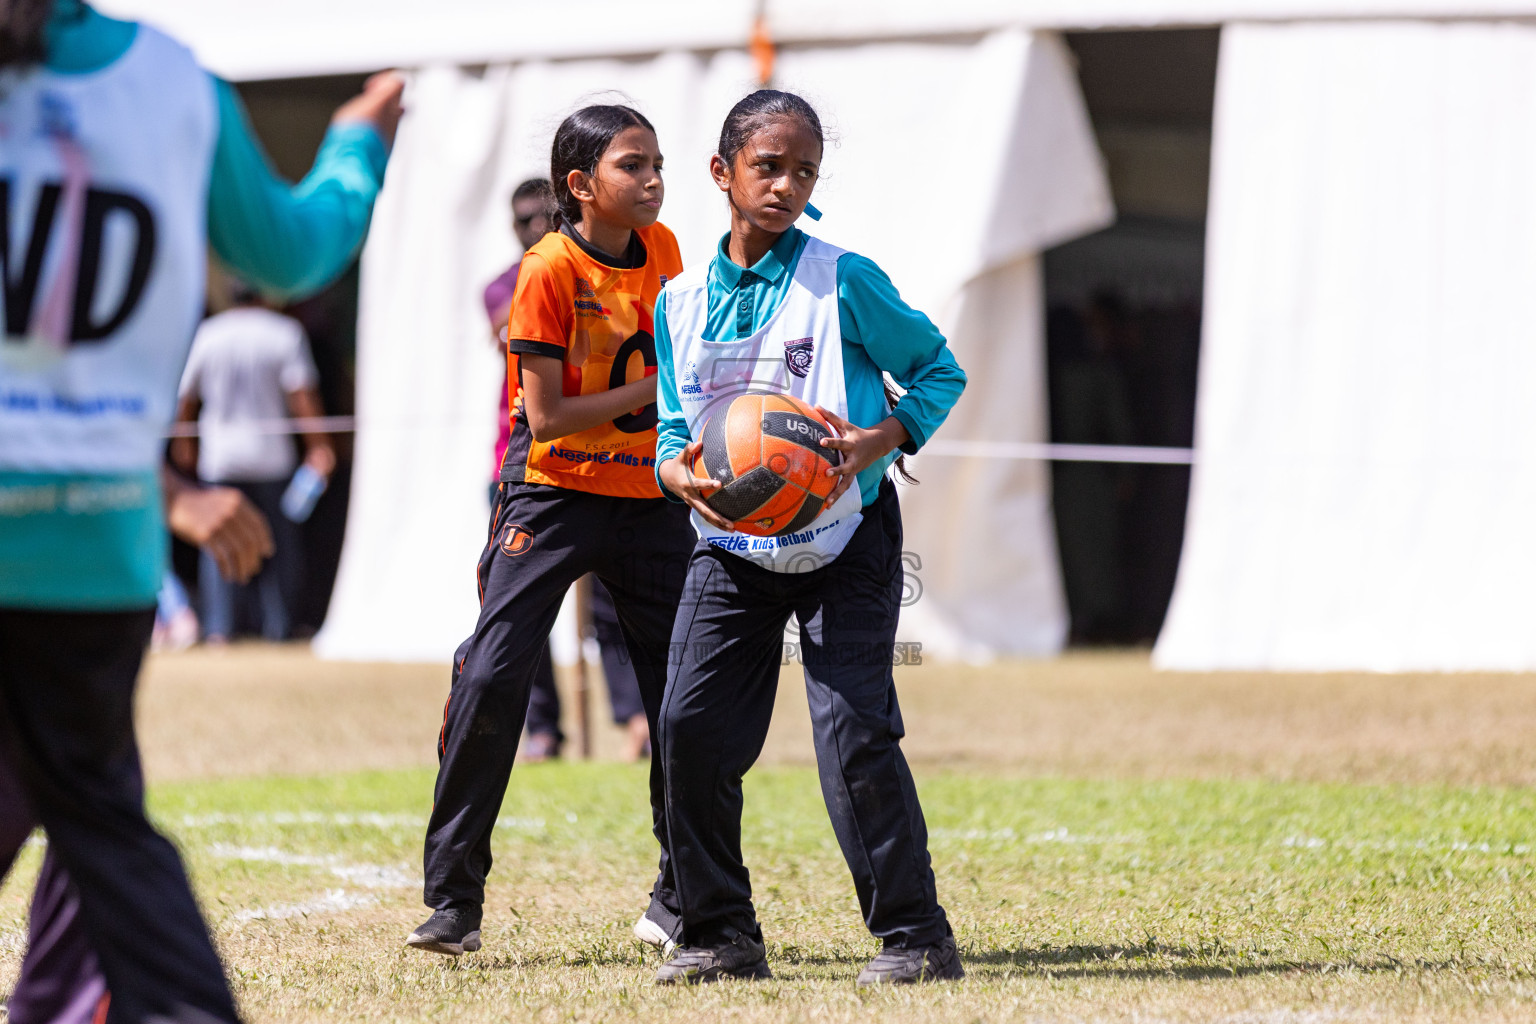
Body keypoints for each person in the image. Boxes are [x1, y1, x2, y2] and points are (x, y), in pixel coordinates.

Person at [0, 0, 401, 1019]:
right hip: (93, 536)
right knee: (97, 816)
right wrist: (357, 143)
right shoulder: (175, 84)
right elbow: (297, 252)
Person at [652, 90, 969, 986]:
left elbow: (937, 371)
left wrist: (886, 437)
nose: (787, 186)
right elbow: (675, 431)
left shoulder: (845, 278)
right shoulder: (675, 303)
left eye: (804, 173)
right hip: (731, 550)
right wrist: (676, 472)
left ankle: (915, 937)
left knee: (852, 730)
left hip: (849, 539)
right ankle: (719, 933)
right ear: (722, 174)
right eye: (768, 167)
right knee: (688, 727)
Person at [409, 104, 694, 958]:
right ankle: (453, 903)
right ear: (581, 186)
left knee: (685, 699)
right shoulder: (545, 268)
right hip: (550, 490)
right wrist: (653, 393)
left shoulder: (670, 250)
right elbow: (552, 414)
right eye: (633, 167)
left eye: (656, 165)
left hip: (651, 498)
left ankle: (686, 895)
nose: (653, 181)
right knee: (493, 674)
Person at [0, 469, 276, 1024]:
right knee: (89, 800)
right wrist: (170, 492)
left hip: (94, 562)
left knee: (89, 796)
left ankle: (62, 1006)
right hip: (56, 545)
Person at [482, 178, 652, 762]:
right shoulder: (520, 277)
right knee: (519, 618)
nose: (532, 227)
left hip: (615, 458)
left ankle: (635, 719)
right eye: (520, 219)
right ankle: (542, 729)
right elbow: (507, 331)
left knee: (616, 606)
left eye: (541, 215)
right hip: (530, 463)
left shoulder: (628, 261)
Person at [172, 284, 336, 643]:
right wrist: (319, 446)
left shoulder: (209, 333)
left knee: (220, 547)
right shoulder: (284, 333)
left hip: (221, 459)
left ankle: (221, 629)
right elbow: (301, 395)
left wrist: (184, 444)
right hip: (271, 459)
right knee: (277, 551)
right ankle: (278, 629)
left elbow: (186, 397)